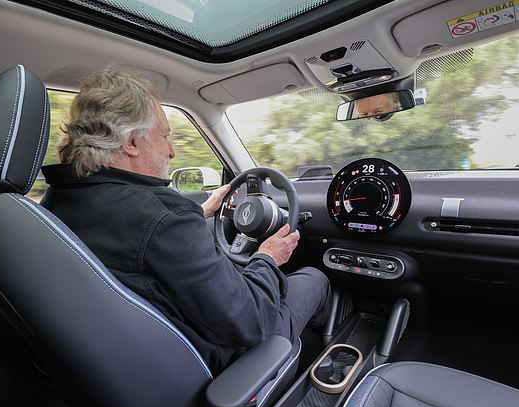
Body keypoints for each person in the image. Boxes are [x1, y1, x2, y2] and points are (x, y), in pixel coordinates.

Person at [40, 69, 332, 375]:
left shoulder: (58, 200)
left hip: (134, 366)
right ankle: (322, 358)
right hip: (219, 363)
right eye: (164, 136)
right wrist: (268, 258)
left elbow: (139, 242)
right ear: (130, 142)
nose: (171, 150)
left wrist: (200, 212)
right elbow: (252, 321)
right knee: (315, 278)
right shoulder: (164, 217)